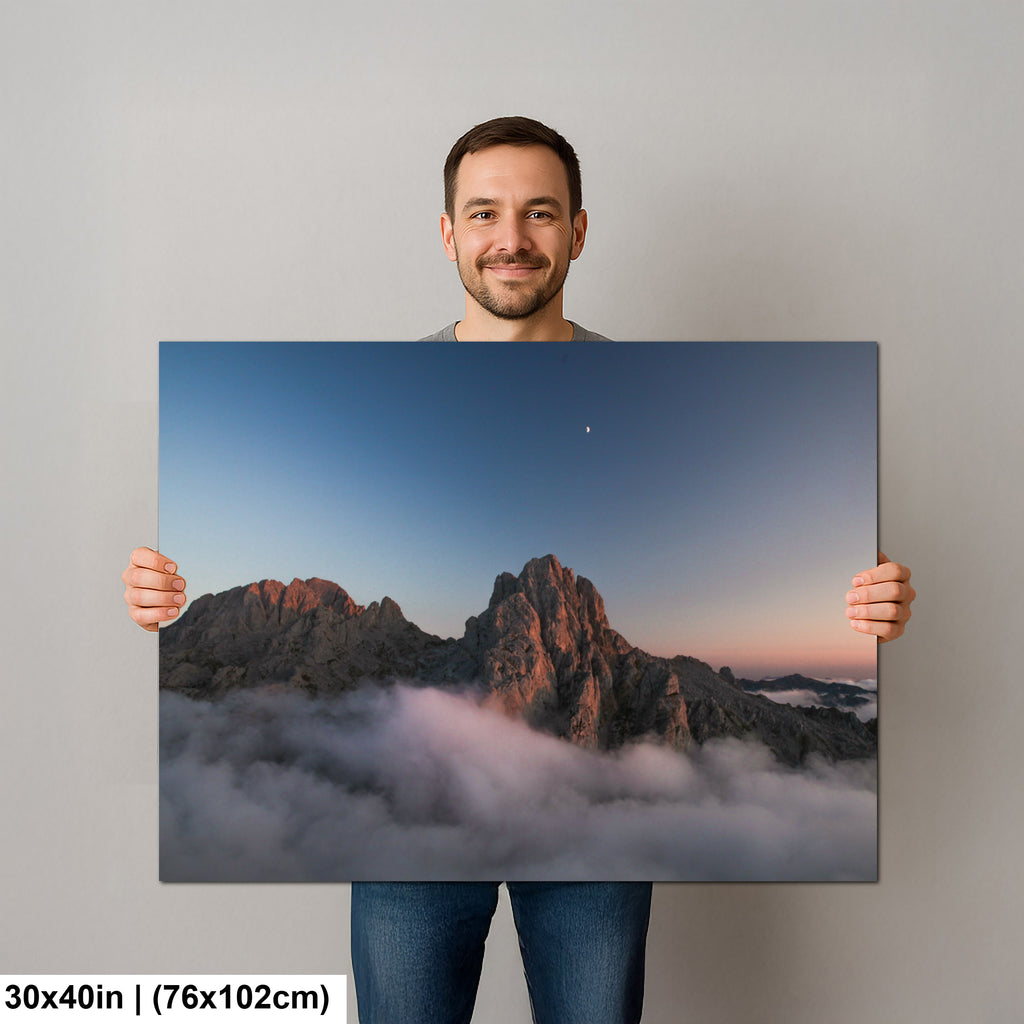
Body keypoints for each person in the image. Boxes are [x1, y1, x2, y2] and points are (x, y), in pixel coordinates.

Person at [122, 116, 916, 1024]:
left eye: (540, 213)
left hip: (592, 840)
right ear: (449, 233)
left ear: (577, 231)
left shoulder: (642, 382)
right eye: (485, 212)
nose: (511, 238)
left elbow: (795, 528)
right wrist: (163, 602)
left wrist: (864, 599)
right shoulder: (386, 383)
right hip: (409, 837)